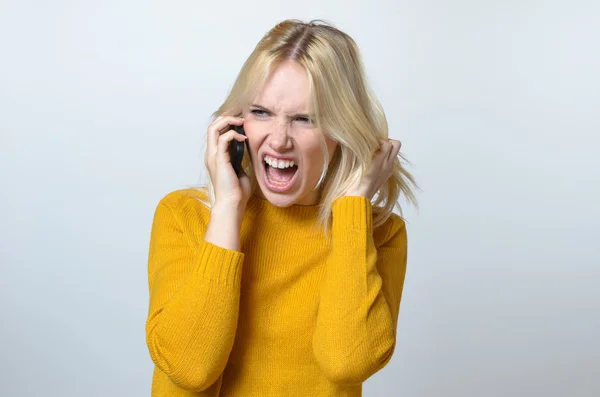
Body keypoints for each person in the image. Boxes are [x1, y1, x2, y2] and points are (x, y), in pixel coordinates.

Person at [145, 19, 418, 397]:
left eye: (305, 119)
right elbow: (190, 368)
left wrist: (353, 207)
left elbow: (347, 362)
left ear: (340, 131)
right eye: (261, 112)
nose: (278, 140)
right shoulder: (184, 215)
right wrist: (227, 208)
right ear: (236, 124)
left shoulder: (378, 234)